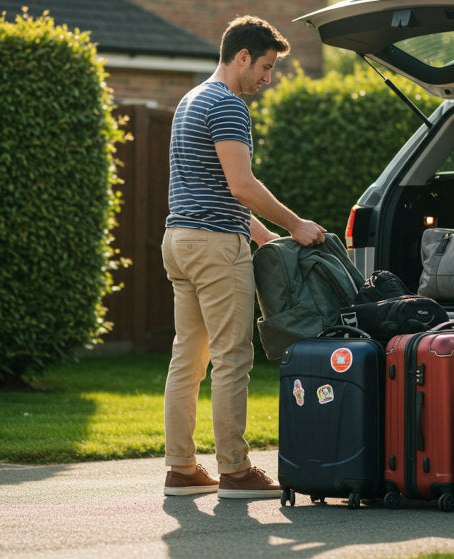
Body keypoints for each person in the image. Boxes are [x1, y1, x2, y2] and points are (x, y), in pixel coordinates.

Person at [161, 15, 326, 499]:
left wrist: (265, 238)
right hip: (214, 248)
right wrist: (296, 225)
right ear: (241, 57)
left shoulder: (191, 100)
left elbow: (213, 190)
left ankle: (182, 468)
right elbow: (242, 186)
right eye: (266, 66)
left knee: (187, 359)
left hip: (180, 241)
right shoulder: (229, 106)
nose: (267, 78)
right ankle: (235, 470)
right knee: (233, 357)